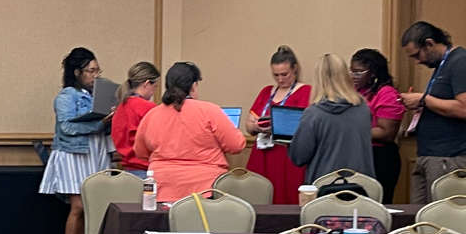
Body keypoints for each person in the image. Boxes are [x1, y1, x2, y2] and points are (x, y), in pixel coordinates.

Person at [40, 48, 111, 234]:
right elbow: (68, 128)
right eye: (91, 70)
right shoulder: (66, 96)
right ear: (77, 71)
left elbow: (104, 127)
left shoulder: (97, 94)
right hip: (74, 153)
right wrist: (99, 124)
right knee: (78, 206)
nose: (95, 75)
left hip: (97, 152)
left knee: (94, 208)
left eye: (97, 70)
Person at [132, 61, 245, 203]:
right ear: (193, 86)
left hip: (161, 190)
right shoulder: (210, 111)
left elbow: (140, 152)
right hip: (206, 190)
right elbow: (236, 146)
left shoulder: (151, 115)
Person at [398, 21, 466, 204]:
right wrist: (422, 104)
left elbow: (465, 109)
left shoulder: (462, 63)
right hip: (429, 155)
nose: (417, 61)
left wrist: (424, 99)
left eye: (416, 55)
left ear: (429, 44)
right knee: (420, 218)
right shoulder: (442, 66)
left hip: (448, 158)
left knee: (440, 218)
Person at [242, 46, 314, 203]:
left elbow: (304, 126)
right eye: (276, 75)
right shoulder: (266, 92)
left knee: (287, 197)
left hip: (287, 154)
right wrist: (256, 127)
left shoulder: (306, 91)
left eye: (284, 74)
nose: (280, 80)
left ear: (294, 69)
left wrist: (276, 128)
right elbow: (248, 124)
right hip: (263, 152)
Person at [288, 54, 374, 184]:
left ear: (318, 79)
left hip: (325, 187)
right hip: (362, 186)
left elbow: (299, 157)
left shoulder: (313, 114)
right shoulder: (363, 109)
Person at [350, 48, 407, 199]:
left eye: (359, 72)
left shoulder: (387, 93)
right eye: (351, 72)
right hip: (360, 154)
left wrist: (350, 132)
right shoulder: (358, 91)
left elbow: (386, 133)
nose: (353, 76)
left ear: (373, 72)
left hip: (380, 158)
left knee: (378, 204)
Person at [110, 62, 159, 173]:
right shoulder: (149, 107)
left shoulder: (121, 107)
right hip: (146, 169)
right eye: (155, 86)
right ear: (146, 83)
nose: (154, 91)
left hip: (127, 170)